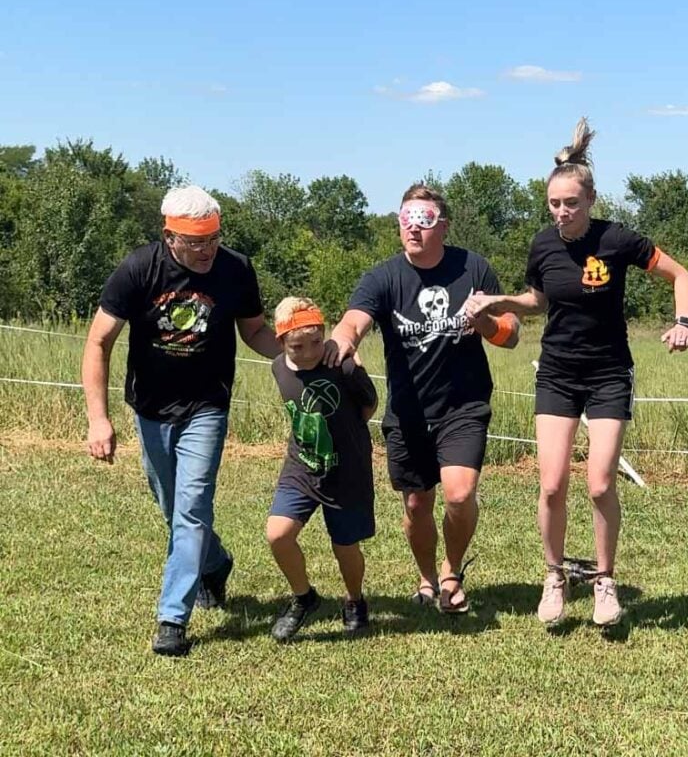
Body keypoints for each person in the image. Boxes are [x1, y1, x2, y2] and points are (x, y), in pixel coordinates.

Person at [465, 118, 688, 627]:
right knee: (550, 485)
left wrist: (682, 322)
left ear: (590, 201)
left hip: (610, 372)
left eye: (571, 203)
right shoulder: (543, 245)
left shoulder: (618, 240)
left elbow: (681, 275)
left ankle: (605, 583)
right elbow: (536, 300)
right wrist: (500, 300)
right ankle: (554, 578)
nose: (562, 212)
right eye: (554, 203)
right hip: (557, 373)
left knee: (598, 482)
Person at [82, 185, 281, 657]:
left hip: (206, 406)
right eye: (196, 241)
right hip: (149, 407)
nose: (207, 249)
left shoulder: (235, 269)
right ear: (170, 236)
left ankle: (173, 617)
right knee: (173, 508)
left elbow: (252, 330)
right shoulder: (138, 270)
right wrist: (98, 419)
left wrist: (294, 356)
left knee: (191, 507)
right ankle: (214, 561)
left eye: (213, 238)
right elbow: (98, 343)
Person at [328, 184, 520, 614]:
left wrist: (485, 324)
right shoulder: (383, 277)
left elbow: (512, 334)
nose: (413, 230)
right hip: (408, 410)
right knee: (417, 503)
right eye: (405, 220)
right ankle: (427, 578)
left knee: (458, 493)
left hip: (463, 404)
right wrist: (342, 342)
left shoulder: (473, 268)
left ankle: (451, 572)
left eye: (424, 221)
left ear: (443, 226)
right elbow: (353, 321)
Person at [266, 297, 378, 642]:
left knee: (345, 546)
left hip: (347, 471)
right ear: (281, 341)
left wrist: (345, 436)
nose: (310, 352)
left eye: (316, 342)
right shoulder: (278, 367)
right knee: (278, 534)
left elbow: (369, 404)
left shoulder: (341, 365)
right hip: (301, 467)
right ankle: (304, 598)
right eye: (298, 346)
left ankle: (355, 601)